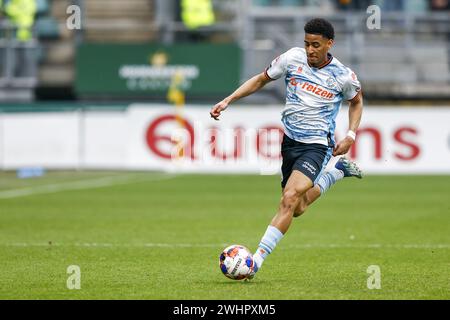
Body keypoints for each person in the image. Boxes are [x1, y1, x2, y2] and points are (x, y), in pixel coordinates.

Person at [210, 18, 364, 278]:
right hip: (290, 142)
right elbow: (261, 79)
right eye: (307, 44)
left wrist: (350, 134)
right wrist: (229, 100)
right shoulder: (292, 59)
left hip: (317, 146)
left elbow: (356, 102)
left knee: (289, 198)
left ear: (329, 44)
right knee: (299, 207)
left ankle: (255, 261)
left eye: (316, 45)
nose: (310, 50)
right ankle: (337, 172)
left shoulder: (343, 76)